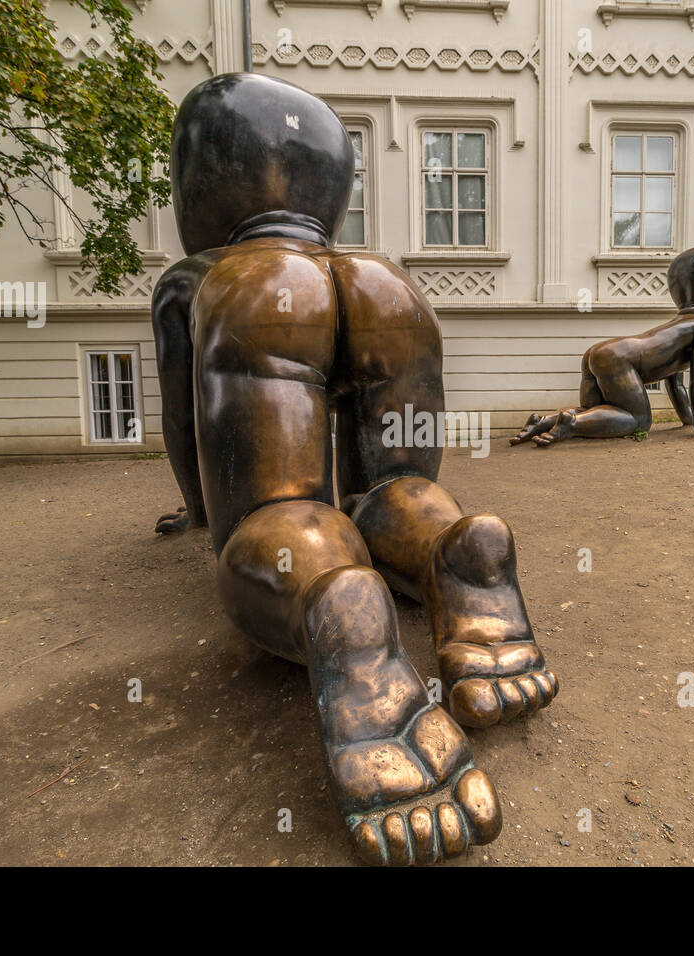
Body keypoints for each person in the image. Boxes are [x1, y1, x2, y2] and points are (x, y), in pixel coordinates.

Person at [150, 74, 556, 865]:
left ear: (196, 187)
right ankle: (457, 549)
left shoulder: (201, 277)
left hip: (266, 305)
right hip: (387, 303)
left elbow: (179, 419)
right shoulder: (383, 275)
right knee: (400, 487)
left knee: (282, 512)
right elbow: (393, 459)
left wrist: (202, 510)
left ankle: (344, 611)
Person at [511, 245, 694, 447]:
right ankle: (570, 424)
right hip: (620, 358)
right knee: (638, 420)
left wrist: (689, 419)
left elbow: (675, 381)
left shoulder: (679, 326)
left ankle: (543, 421)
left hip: (600, 352)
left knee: (593, 408)